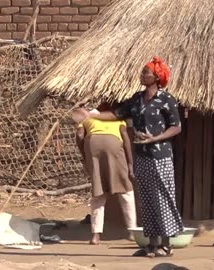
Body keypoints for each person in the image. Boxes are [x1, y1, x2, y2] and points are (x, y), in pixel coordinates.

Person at [73, 56, 183, 257]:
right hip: (141, 155)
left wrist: (156, 138)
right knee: (148, 200)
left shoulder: (167, 100)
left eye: (146, 72)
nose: (142, 75)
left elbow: (176, 127)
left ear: (157, 77)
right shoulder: (137, 99)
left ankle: (166, 244)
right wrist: (92, 115)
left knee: (163, 198)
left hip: (161, 156)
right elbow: (116, 114)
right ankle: (152, 243)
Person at [74, 102, 137, 245]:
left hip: (93, 145)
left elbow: (79, 135)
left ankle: (95, 235)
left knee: (98, 192)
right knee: (126, 190)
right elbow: (126, 139)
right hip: (114, 146)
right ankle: (132, 231)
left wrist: (85, 154)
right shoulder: (116, 118)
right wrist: (130, 164)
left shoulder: (87, 117)